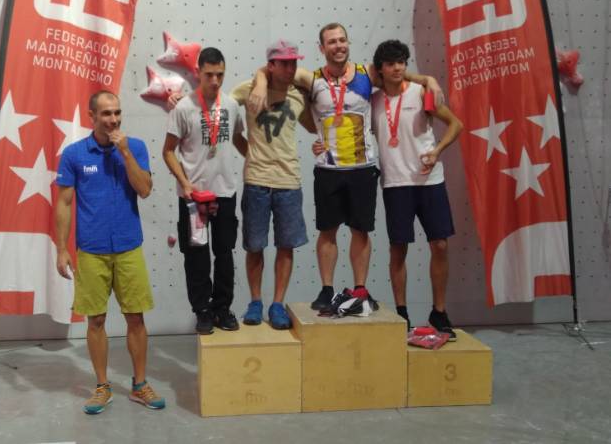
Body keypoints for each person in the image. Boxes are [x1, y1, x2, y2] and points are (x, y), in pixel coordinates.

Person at [249, 23, 443, 310]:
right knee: (327, 231)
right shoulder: (311, 78)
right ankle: (327, 289)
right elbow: (271, 68)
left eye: (342, 40)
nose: (338, 45)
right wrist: (260, 82)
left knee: (360, 231)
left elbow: (398, 72)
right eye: (331, 42)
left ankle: (360, 288)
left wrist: (429, 80)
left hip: (362, 169)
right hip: (328, 169)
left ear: (348, 42)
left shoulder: (367, 73)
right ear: (322, 48)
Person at [55, 90, 165, 414]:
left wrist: (125, 152)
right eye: (106, 113)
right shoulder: (74, 154)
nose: (113, 119)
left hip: (129, 246)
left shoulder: (136, 147)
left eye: (117, 112)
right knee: (96, 320)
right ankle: (102, 387)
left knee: (136, 318)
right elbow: (64, 203)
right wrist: (61, 249)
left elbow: (144, 189)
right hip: (91, 250)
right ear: (92, 116)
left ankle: (140, 385)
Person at [370, 39, 463, 339]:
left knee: (440, 245)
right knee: (398, 248)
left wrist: (437, 151)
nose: (398, 68)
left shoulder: (421, 92)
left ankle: (439, 311)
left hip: (429, 181)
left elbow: (455, 124)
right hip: (396, 183)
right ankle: (402, 313)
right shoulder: (373, 101)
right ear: (380, 69)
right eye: (391, 64)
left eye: (402, 62)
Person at [231, 39, 314, 329]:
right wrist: (251, 154)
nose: (291, 69)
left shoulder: (298, 94)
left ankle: (278, 304)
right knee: (254, 246)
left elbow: (313, 126)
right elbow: (222, 110)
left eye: (294, 63)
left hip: (289, 181)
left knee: (286, 246)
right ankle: (255, 302)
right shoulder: (248, 89)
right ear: (271, 65)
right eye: (285, 64)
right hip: (256, 180)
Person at [162, 47, 243, 335]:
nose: (215, 80)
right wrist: (185, 183)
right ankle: (203, 311)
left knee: (225, 252)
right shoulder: (183, 108)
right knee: (196, 255)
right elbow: (168, 151)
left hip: (225, 193)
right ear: (198, 73)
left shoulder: (231, 105)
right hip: (193, 197)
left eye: (220, 74)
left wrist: (258, 161)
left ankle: (222, 307)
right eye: (209, 75)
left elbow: (238, 139)